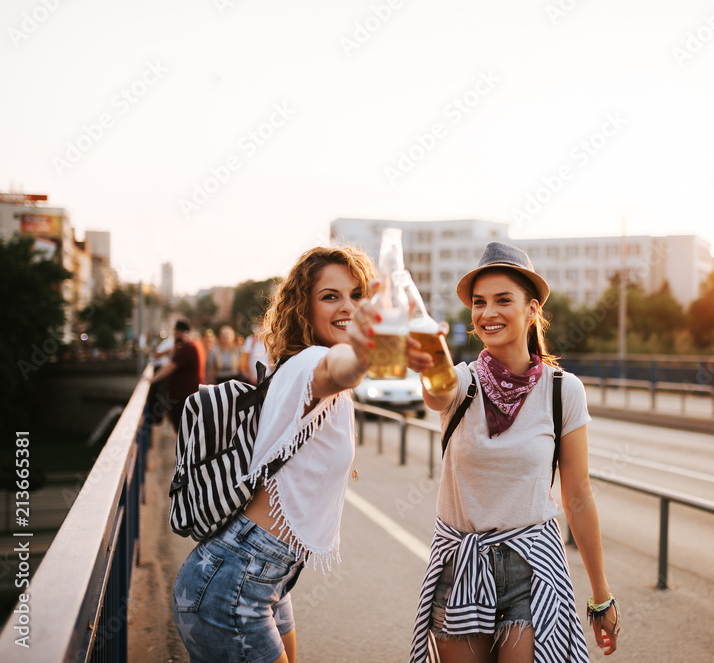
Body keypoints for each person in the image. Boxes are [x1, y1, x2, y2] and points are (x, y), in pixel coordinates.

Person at [171, 245, 432, 663]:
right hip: (232, 582)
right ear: (304, 309)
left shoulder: (314, 373)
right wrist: (369, 346)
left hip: (266, 581)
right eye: (331, 296)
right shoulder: (310, 364)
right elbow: (341, 367)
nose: (347, 306)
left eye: (358, 295)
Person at [408, 242, 620, 662]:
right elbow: (435, 389)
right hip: (462, 564)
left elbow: (577, 497)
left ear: (532, 309)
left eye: (503, 300)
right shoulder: (460, 383)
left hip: (532, 569)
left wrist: (600, 596)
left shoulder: (563, 391)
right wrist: (425, 352)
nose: (488, 313)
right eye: (479, 302)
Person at [148, 319, 202, 432]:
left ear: (180, 332)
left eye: (176, 332)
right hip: (180, 396)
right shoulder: (183, 346)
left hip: (183, 397)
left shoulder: (187, 347)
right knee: (182, 429)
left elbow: (171, 366)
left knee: (184, 430)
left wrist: (152, 379)